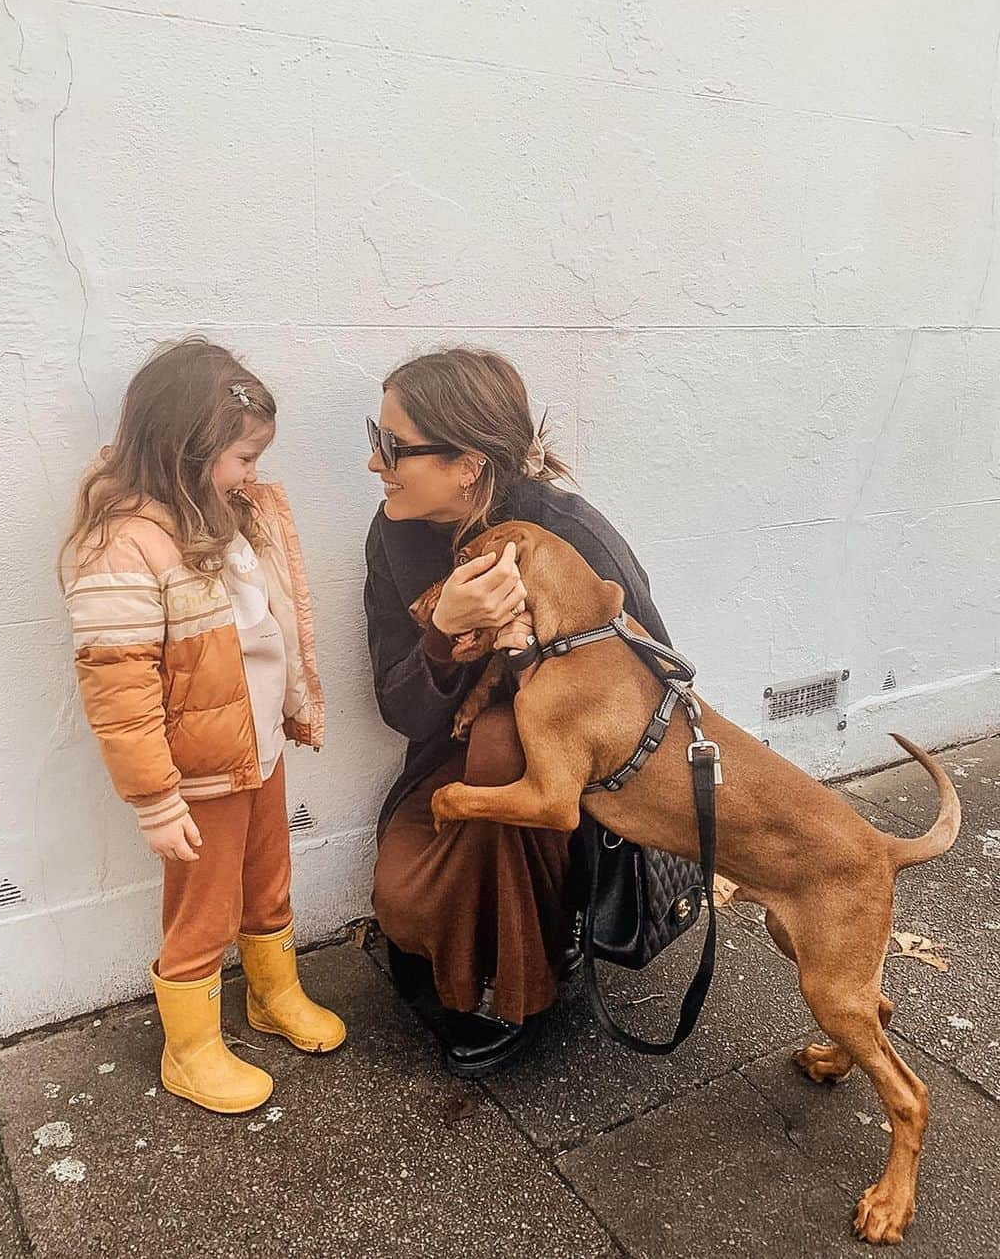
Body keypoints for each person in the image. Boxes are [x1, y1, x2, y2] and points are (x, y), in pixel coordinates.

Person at [364, 347, 673, 1077]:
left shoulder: (570, 532)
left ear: (468, 462)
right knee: (401, 898)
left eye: (392, 447)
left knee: (508, 742)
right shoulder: (397, 535)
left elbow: (652, 682)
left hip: (576, 785)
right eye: (373, 438)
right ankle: (481, 939)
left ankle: (519, 990)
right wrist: (444, 631)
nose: (375, 463)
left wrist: (533, 660)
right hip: (454, 750)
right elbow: (401, 708)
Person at [60, 336, 344, 1114]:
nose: (255, 473)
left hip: (259, 748)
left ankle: (271, 993)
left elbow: (271, 625)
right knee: (203, 906)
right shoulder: (122, 543)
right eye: (244, 457)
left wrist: (294, 709)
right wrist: (154, 797)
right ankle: (189, 1049)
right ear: (188, 448)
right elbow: (118, 683)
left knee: (267, 881)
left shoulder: (231, 516)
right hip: (198, 771)